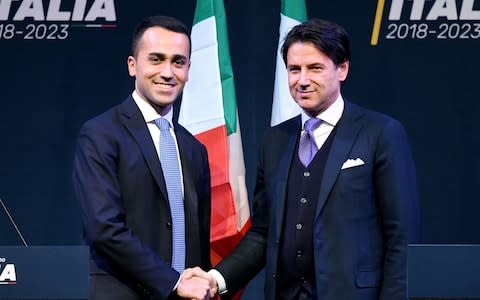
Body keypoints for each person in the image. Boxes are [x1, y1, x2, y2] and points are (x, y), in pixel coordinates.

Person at [189, 18, 420, 299]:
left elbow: (401, 236)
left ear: (342, 69)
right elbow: (263, 233)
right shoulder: (274, 141)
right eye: (294, 69)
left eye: (315, 68)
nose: (303, 80)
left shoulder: (381, 133)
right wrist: (216, 279)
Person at [73, 15, 213, 300]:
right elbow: (104, 229)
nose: (167, 72)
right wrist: (173, 282)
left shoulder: (194, 148)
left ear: (188, 69)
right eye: (156, 59)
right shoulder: (101, 134)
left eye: (178, 61)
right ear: (132, 65)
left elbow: (198, 238)